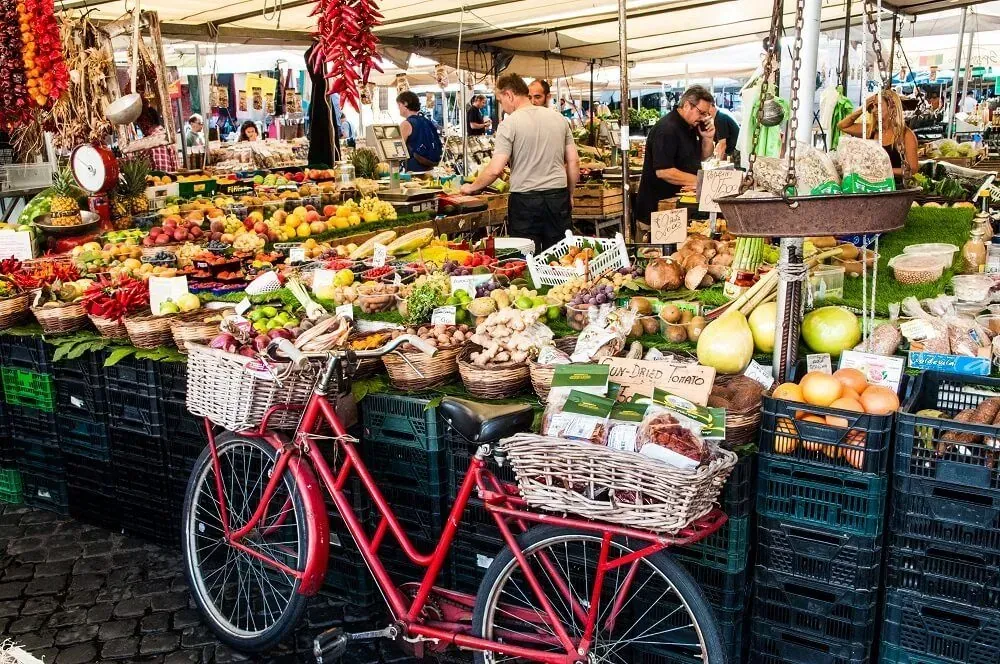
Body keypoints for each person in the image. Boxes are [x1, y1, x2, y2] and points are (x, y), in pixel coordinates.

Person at [460, 73, 579, 254]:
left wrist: (472, 188)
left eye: (500, 100)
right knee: (560, 256)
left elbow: (495, 169)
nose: (502, 106)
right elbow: (573, 161)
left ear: (509, 95)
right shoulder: (559, 119)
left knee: (526, 258)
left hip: (525, 201)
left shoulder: (509, 124)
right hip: (557, 197)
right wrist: (569, 193)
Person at [635, 85, 716, 224]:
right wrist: (702, 182)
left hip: (678, 209)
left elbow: (704, 158)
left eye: (706, 114)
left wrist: (708, 138)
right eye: (701, 112)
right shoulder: (667, 129)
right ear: (686, 105)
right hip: (657, 212)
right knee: (657, 246)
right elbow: (664, 171)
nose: (704, 118)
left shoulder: (691, 126)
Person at [837, 89, 918, 180]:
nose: (874, 110)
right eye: (872, 107)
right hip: (871, 186)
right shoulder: (870, 131)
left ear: (891, 107)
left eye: (877, 106)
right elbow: (842, 126)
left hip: (895, 189)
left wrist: (880, 169)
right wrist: (862, 109)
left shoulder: (906, 135)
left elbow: (913, 170)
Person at [397, 90, 442, 171]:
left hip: (414, 168)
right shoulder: (426, 120)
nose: (398, 108)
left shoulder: (406, 124)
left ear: (405, 104)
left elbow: (399, 149)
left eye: (399, 105)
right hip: (430, 166)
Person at [135, 106, 178, 172]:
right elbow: (176, 166)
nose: (140, 127)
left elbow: (159, 169)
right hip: (172, 179)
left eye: (139, 123)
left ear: (145, 122)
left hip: (158, 180)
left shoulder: (150, 141)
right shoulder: (166, 135)